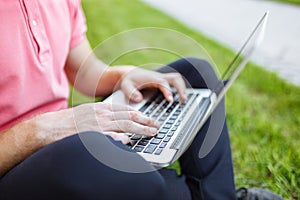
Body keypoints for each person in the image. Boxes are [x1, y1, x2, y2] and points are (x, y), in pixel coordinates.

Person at [0, 1, 283, 200]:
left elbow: (82, 68)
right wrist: (41, 130)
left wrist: (125, 75)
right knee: (96, 157)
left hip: (65, 135)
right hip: (13, 163)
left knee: (193, 74)